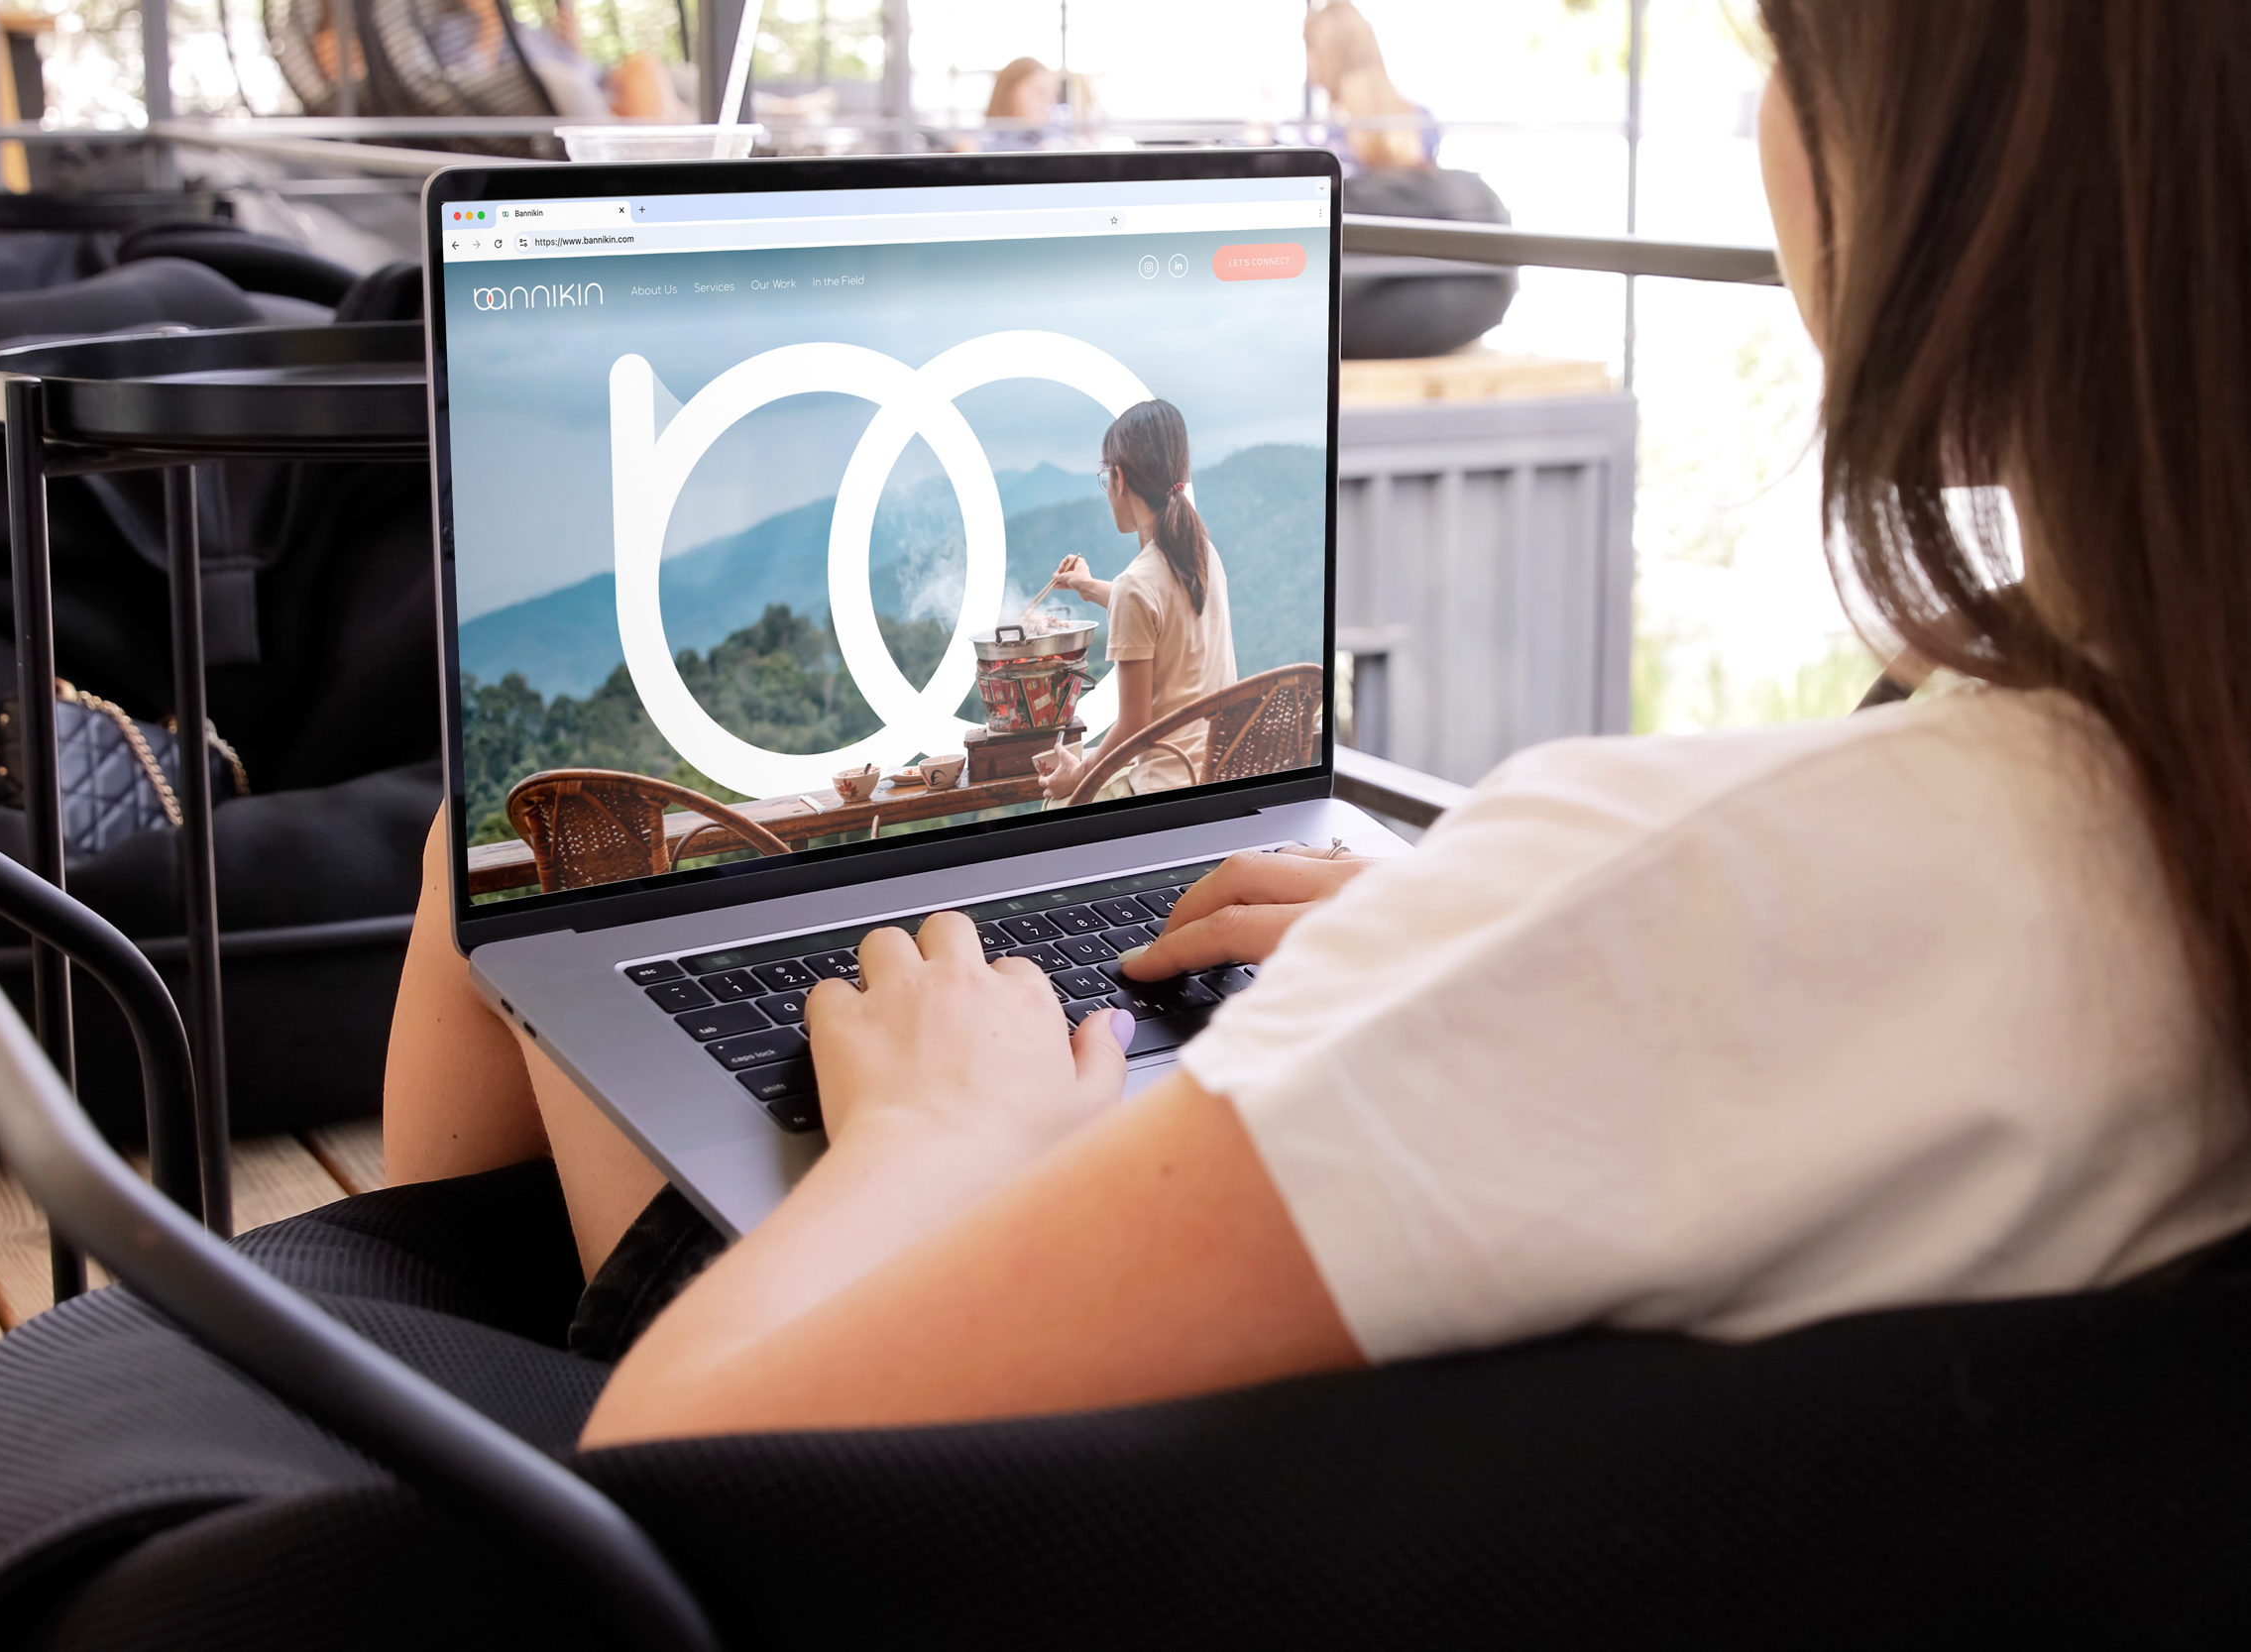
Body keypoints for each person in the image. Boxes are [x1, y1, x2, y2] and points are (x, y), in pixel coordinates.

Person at [388, 0, 2251, 1451]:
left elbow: (682, 1454)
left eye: (1776, 44)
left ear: (1958, 159)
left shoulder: (1704, 901)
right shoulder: (2154, 846)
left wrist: (929, 1135)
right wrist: (1473, 952)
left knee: (504, 879)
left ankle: (396, 1353)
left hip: (952, 1486)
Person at [1033, 399, 1237, 805]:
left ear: (1120, 478)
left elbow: (1134, 724)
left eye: (1105, 475)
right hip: (1219, 775)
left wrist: (1079, 775)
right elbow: (1159, 616)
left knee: (1056, 803)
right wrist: (1089, 587)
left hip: (1165, 793)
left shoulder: (1138, 584)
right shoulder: (1201, 553)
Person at [1304, 0, 1516, 359]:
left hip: (1362, 282)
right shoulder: (1418, 121)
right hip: (1419, 276)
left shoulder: (1324, 140)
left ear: (1326, 57)